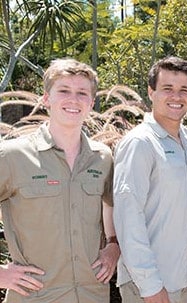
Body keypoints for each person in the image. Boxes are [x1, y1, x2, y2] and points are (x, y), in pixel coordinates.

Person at [0, 58, 120, 302]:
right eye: (64, 90)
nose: (73, 100)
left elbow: (112, 205)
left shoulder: (103, 158)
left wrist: (113, 246)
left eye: (82, 93)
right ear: (46, 98)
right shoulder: (12, 155)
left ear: (91, 103)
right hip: (36, 297)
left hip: (91, 295)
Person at [113, 56, 187, 303]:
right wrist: (150, 286)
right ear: (151, 92)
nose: (177, 96)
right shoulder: (140, 143)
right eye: (167, 89)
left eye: (184, 90)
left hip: (186, 282)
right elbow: (128, 217)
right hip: (150, 287)